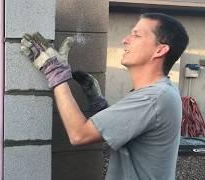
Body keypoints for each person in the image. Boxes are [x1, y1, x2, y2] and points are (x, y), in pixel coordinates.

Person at [20, 13, 189, 180]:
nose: (125, 40)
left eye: (136, 35)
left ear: (160, 50)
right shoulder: (161, 92)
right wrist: (98, 104)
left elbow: (79, 134)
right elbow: (121, 133)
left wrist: (55, 73)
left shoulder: (153, 98)